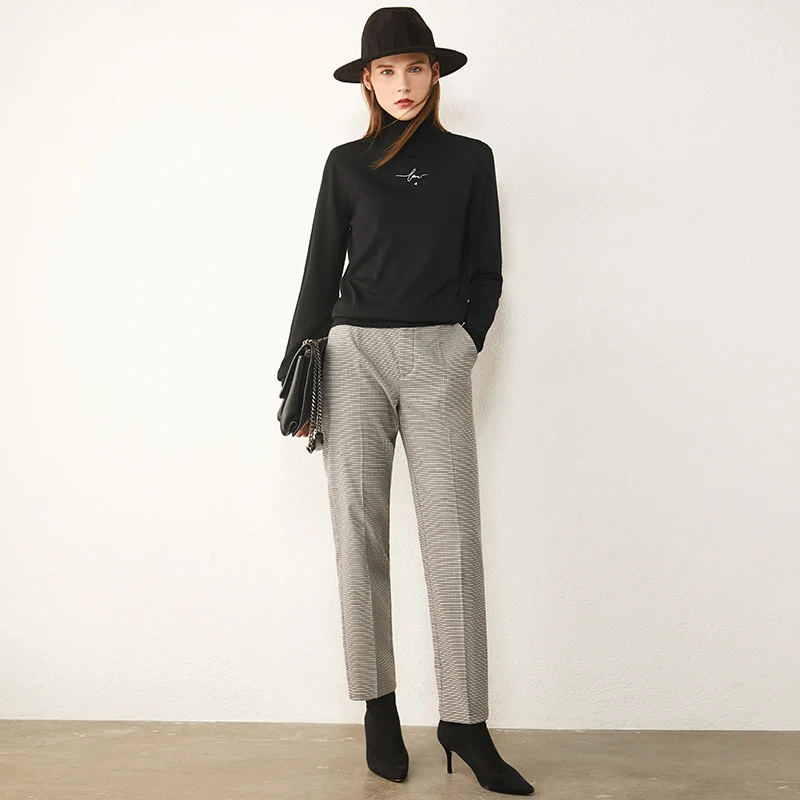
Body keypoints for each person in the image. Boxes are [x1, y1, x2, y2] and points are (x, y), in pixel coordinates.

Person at [277, 8, 534, 796]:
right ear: (366, 80)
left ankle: (465, 721)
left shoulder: (470, 160)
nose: (402, 83)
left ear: (434, 73)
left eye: (415, 67)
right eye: (386, 70)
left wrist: (465, 343)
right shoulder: (345, 165)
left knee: (453, 539)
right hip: (351, 355)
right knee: (359, 534)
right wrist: (296, 373)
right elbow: (321, 271)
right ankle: (378, 707)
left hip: (436, 358)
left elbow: (486, 271)